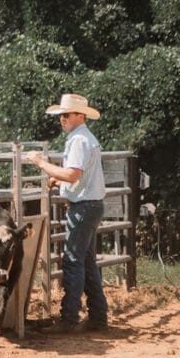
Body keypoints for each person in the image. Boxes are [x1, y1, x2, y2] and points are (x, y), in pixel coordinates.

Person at [25, 94, 108, 333]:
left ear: (79, 116)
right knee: (87, 262)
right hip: (90, 205)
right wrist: (57, 179)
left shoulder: (79, 140)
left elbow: (72, 175)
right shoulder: (83, 138)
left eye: (66, 115)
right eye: (61, 115)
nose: (62, 119)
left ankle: (69, 319)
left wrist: (41, 163)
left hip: (83, 207)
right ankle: (98, 317)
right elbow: (75, 175)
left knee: (72, 261)